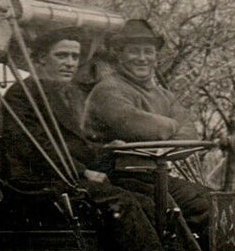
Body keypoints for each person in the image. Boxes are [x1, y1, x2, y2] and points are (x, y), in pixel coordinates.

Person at [0, 27, 175, 251]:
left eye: (74, 56)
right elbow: (33, 148)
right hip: (36, 182)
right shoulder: (22, 94)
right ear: (41, 59)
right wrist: (82, 172)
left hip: (66, 177)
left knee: (147, 198)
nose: (70, 63)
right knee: (120, 200)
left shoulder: (68, 96)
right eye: (62, 55)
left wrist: (106, 151)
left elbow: (76, 146)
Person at [85, 19, 213, 237]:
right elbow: (135, 124)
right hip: (118, 178)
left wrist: (166, 129)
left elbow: (190, 137)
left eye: (148, 51)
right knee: (168, 211)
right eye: (134, 51)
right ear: (119, 54)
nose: (142, 58)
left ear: (156, 55)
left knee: (213, 203)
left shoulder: (163, 95)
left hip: (155, 175)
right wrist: (173, 125)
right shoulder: (108, 90)